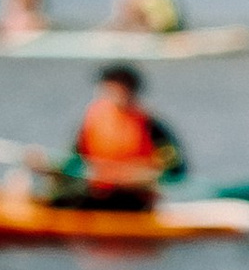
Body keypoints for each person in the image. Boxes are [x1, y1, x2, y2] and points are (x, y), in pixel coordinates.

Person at [65, 64, 183, 207]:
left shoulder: (151, 125)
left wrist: (138, 175)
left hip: (134, 198)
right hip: (96, 193)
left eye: (120, 90)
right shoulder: (91, 123)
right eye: (109, 90)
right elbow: (71, 161)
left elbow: (175, 168)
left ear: (132, 92)